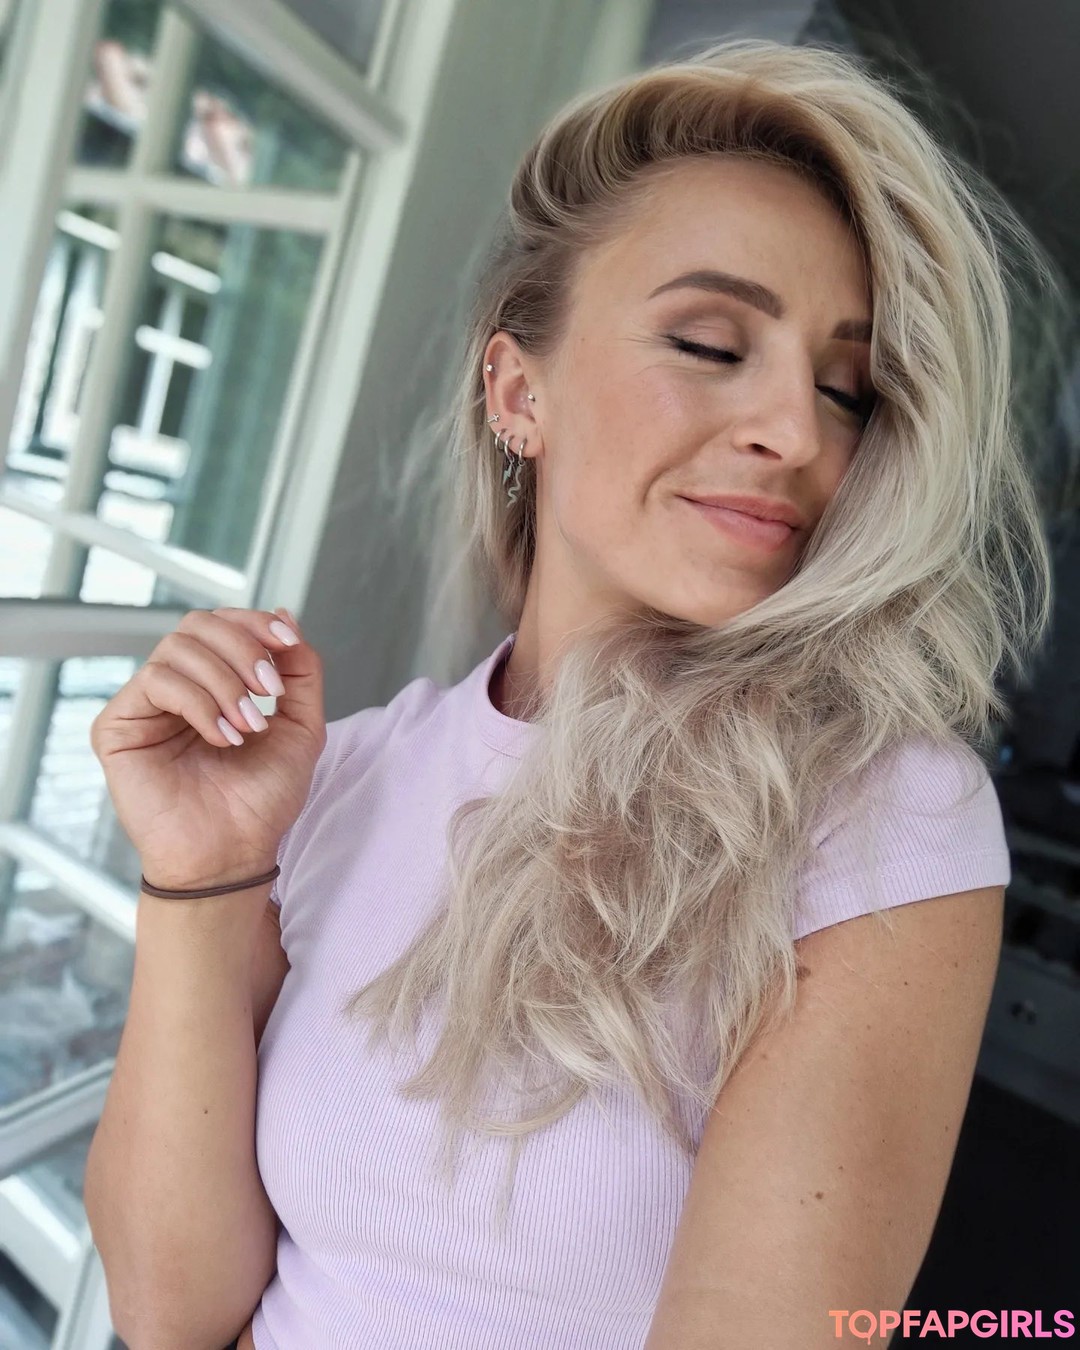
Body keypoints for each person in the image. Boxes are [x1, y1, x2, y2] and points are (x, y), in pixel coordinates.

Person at [83, 37, 1053, 1350]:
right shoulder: (346, 776)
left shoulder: (880, 814)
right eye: (709, 342)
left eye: (846, 388)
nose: (798, 432)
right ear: (517, 393)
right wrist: (201, 874)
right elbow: (167, 1307)